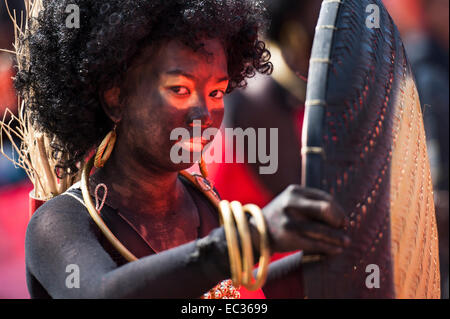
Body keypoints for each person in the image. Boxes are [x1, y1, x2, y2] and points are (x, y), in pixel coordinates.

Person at [17, 0, 350, 298]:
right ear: (116, 97)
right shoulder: (60, 223)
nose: (203, 115)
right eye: (179, 89)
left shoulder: (205, 202)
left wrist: (330, 259)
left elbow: (226, 300)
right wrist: (249, 238)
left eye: (217, 93)